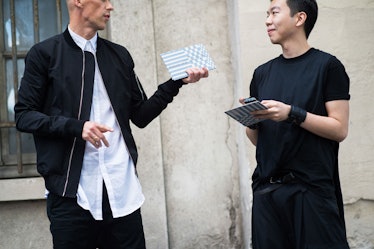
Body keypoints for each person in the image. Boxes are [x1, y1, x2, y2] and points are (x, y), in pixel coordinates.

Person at [14, 0, 209, 248]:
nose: (111, 6)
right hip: (72, 194)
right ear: (77, 1)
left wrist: (175, 83)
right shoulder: (44, 54)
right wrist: (77, 127)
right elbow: (24, 115)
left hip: (121, 191)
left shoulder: (119, 55)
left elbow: (140, 115)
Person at [240, 0, 350, 248]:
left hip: (311, 193)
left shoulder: (328, 66)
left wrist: (292, 113)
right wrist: (252, 118)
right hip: (267, 194)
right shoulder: (262, 73)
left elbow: (339, 129)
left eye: (274, 13)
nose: (267, 20)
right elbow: (258, 138)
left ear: (299, 18)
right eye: (267, 14)